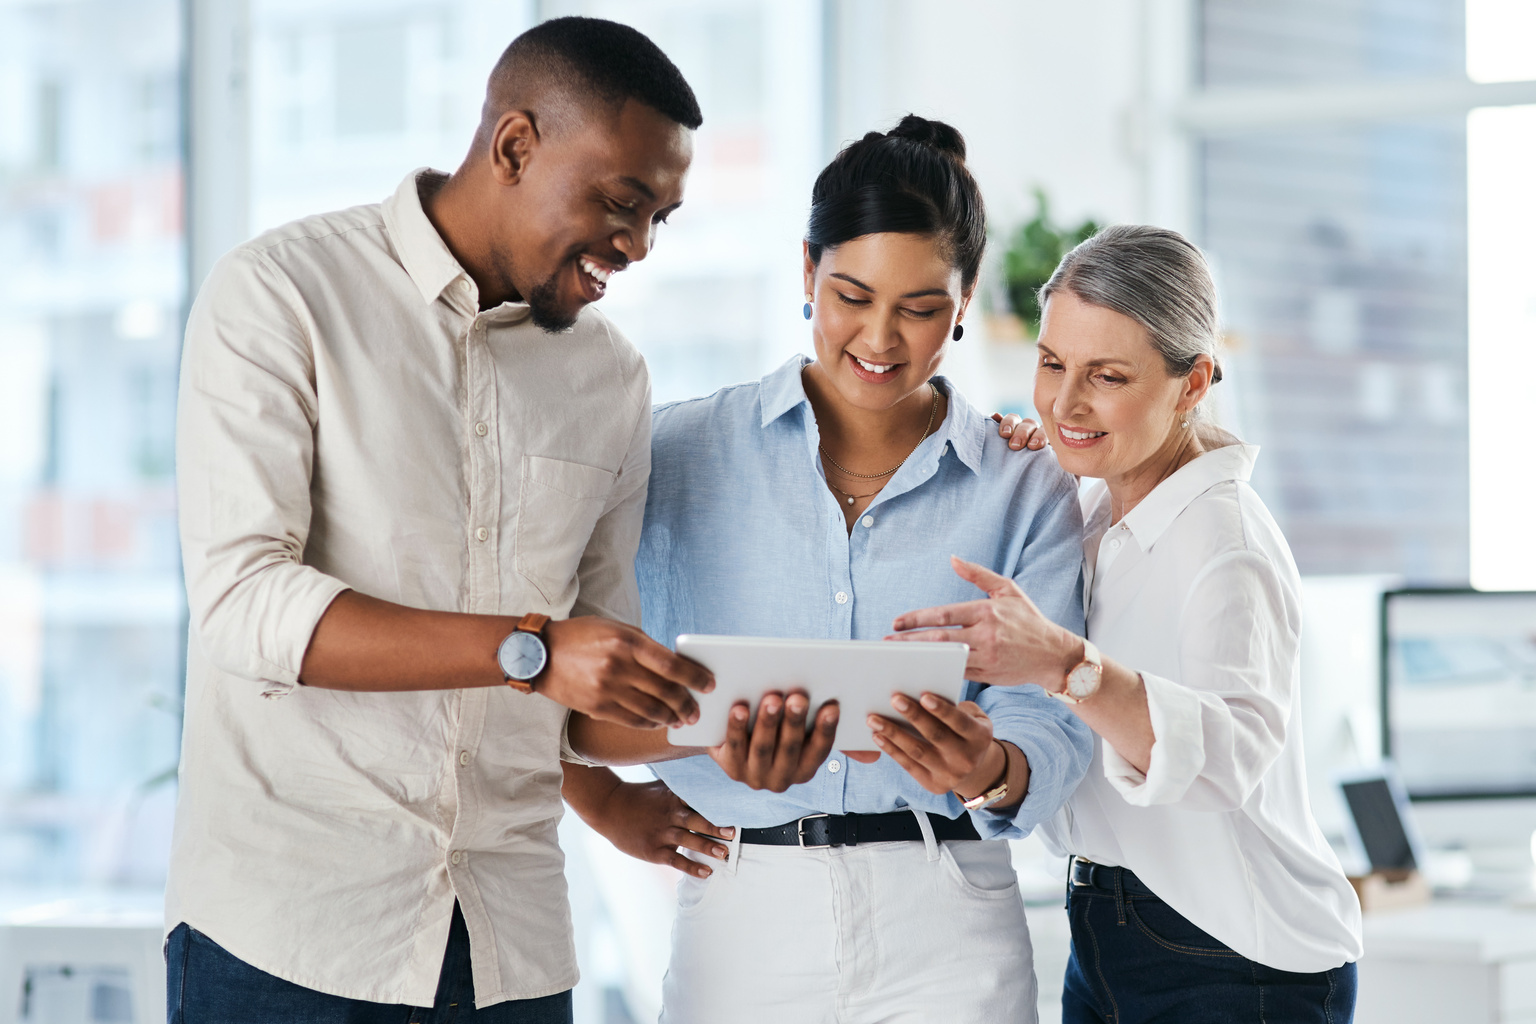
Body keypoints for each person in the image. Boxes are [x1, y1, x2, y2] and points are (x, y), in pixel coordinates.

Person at [167, 17, 738, 1022]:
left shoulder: (610, 377)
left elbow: (586, 703)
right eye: (622, 201)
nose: (639, 246)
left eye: (663, 217)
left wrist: (731, 729)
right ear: (515, 144)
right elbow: (245, 604)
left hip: (508, 951)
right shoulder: (281, 294)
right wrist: (529, 649)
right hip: (287, 940)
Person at [567, 116, 1095, 1024]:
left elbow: (1052, 721)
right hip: (742, 909)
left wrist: (990, 766)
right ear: (807, 273)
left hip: (949, 916)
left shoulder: (1024, 485)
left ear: (966, 302)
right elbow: (566, 683)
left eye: (922, 307)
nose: (881, 339)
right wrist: (626, 786)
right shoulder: (674, 455)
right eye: (852, 294)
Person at [890, 225, 1364, 1023]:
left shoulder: (1225, 545)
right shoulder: (1088, 508)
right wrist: (1028, 459)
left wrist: (1068, 666)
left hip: (1236, 959)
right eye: (1052, 366)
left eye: (1106, 377)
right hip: (1108, 936)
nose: (1067, 402)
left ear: (1193, 384)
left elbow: (1227, 760)